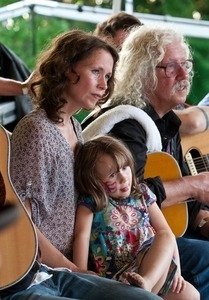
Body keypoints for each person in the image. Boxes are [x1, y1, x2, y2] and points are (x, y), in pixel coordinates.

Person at [1, 29, 161, 300]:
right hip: (38, 273)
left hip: (70, 265)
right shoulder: (37, 130)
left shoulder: (74, 127)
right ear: (65, 69)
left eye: (108, 76)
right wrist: (75, 268)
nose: (103, 85)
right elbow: (22, 224)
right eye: (96, 72)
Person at [82, 24, 209, 299]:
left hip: (154, 237)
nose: (185, 74)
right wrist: (192, 185)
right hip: (121, 249)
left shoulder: (167, 122)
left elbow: (182, 205)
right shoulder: (128, 125)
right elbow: (126, 199)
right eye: (171, 67)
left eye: (185, 64)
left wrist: (201, 220)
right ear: (145, 73)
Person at [73, 134, 199, 299]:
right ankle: (143, 291)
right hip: (118, 278)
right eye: (112, 175)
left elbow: (165, 233)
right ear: (94, 181)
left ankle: (144, 287)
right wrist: (81, 274)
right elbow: (81, 236)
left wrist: (177, 273)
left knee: (191, 295)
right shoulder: (92, 202)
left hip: (152, 271)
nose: (123, 177)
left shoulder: (142, 194)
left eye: (125, 168)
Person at [92, 12, 209, 137]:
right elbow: (193, 122)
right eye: (122, 51)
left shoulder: (167, 114)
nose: (185, 75)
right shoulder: (121, 117)